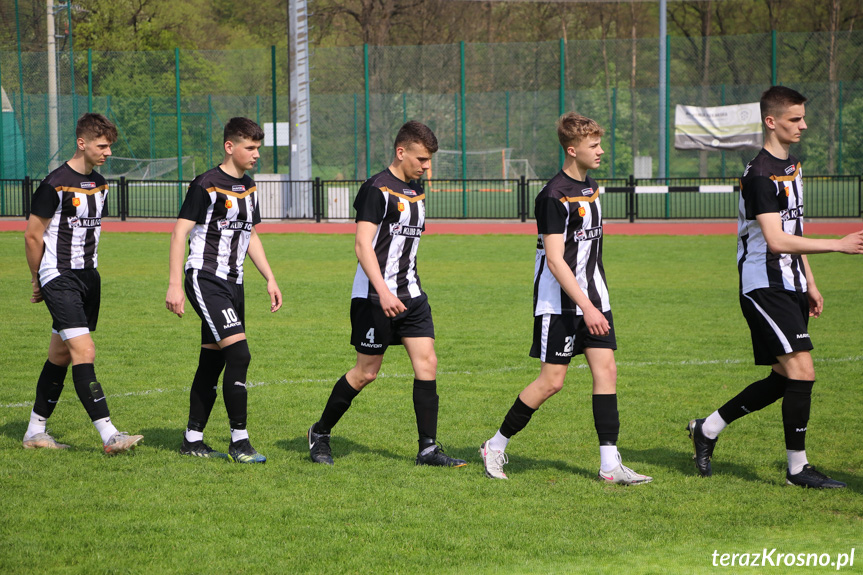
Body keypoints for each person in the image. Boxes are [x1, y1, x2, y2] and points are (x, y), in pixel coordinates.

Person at [687, 86, 863, 488]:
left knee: (784, 377)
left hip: (791, 284)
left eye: (802, 118)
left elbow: (794, 229)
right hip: (763, 285)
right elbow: (776, 239)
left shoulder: (793, 167)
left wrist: (811, 283)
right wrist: (837, 245)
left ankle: (707, 428)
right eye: (794, 119)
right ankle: (797, 469)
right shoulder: (760, 174)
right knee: (802, 371)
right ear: (771, 121)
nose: (803, 125)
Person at [479, 113, 652, 484]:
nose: (601, 151)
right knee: (551, 382)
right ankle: (494, 445)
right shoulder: (553, 196)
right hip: (559, 305)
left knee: (607, 371)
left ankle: (609, 465)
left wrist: (594, 301)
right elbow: (556, 261)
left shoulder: (591, 187)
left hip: (594, 298)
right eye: (594, 146)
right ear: (572, 150)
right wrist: (586, 307)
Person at [307, 121, 466, 468]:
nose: (427, 167)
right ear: (401, 151)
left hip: (412, 295)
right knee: (366, 372)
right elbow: (363, 246)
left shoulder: (417, 191)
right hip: (374, 298)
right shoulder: (376, 189)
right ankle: (319, 433)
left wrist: (404, 291)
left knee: (428, 364)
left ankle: (427, 450)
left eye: (429, 160)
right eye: (422, 159)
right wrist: (384, 292)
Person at [22, 113, 143, 454]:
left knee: (60, 354)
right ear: (82, 143)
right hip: (59, 276)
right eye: (101, 146)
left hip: (89, 276)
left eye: (109, 147)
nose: (107, 152)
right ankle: (110, 435)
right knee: (84, 351)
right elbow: (33, 236)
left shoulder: (101, 184)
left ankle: (34, 432)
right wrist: (37, 279)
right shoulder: (55, 183)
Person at [166, 117, 282, 464]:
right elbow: (178, 233)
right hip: (206, 278)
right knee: (240, 355)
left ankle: (192, 439)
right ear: (230, 147)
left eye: (258, 148)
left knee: (212, 360)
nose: (256, 154)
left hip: (235, 283)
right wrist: (175, 285)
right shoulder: (206, 184)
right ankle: (240, 441)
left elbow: (251, 236)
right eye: (250, 147)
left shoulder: (248, 186)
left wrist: (270, 278)